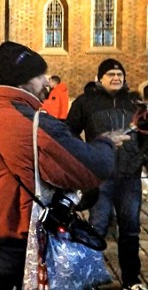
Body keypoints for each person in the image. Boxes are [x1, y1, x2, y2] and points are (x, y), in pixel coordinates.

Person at [0, 42, 124, 289]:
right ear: (23, 81)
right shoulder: (37, 125)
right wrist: (106, 143)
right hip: (17, 248)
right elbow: (91, 169)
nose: (46, 82)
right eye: (39, 75)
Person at [66, 59, 146, 290]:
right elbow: (69, 133)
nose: (116, 78)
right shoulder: (86, 102)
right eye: (110, 74)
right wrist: (83, 159)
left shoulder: (134, 103)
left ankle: (131, 280)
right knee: (97, 228)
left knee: (130, 230)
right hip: (100, 177)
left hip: (129, 177)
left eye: (119, 74)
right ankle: (89, 277)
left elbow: (145, 135)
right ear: (99, 77)